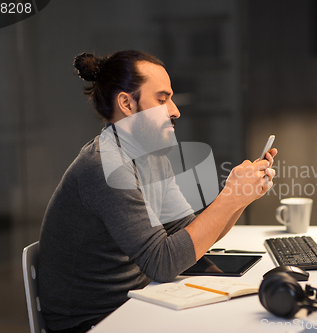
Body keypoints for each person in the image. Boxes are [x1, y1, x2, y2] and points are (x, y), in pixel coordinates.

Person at [38, 49, 277, 333]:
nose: (175, 110)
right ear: (126, 103)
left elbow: (187, 236)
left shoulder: (150, 155)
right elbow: (163, 263)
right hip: (93, 322)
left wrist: (240, 196)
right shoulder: (105, 167)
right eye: (162, 99)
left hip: (135, 302)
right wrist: (231, 197)